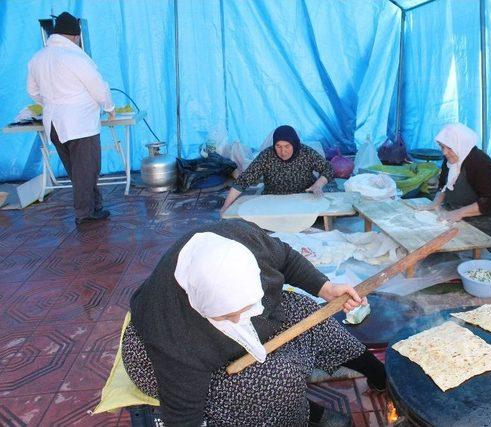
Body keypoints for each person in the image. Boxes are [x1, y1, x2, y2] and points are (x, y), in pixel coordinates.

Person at [123, 219, 387, 426]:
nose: (241, 320)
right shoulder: (177, 337)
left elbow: (285, 258)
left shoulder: (240, 240)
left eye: (247, 307)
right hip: (157, 362)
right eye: (228, 315)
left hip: (198, 339)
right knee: (275, 381)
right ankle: (304, 414)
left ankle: (378, 374)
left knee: (310, 313)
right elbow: (183, 415)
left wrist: (325, 288)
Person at [27, 12, 115, 225]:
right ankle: (85, 214)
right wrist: (109, 107)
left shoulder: (37, 58)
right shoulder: (75, 57)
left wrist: (51, 102)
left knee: (77, 171)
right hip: (79, 124)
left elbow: (32, 91)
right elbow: (98, 87)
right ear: (75, 36)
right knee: (87, 169)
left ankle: (94, 206)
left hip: (54, 124)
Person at [220, 125, 334, 214]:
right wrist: (225, 207)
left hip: (304, 199)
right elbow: (244, 180)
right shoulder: (267, 156)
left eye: (287, 146)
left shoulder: (306, 153)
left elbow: (328, 168)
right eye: (278, 146)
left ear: (295, 144)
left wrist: (318, 184)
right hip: (273, 201)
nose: (282, 152)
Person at [426, 123, 491, 239]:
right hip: (463, 215)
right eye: (442, 147)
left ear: (460, 144)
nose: (444, 152)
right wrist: (435, 203)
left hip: (486, 222)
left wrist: (458, 213)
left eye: (449, 148)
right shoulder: (451, 158)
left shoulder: (480, 163)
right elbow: (443, 185)